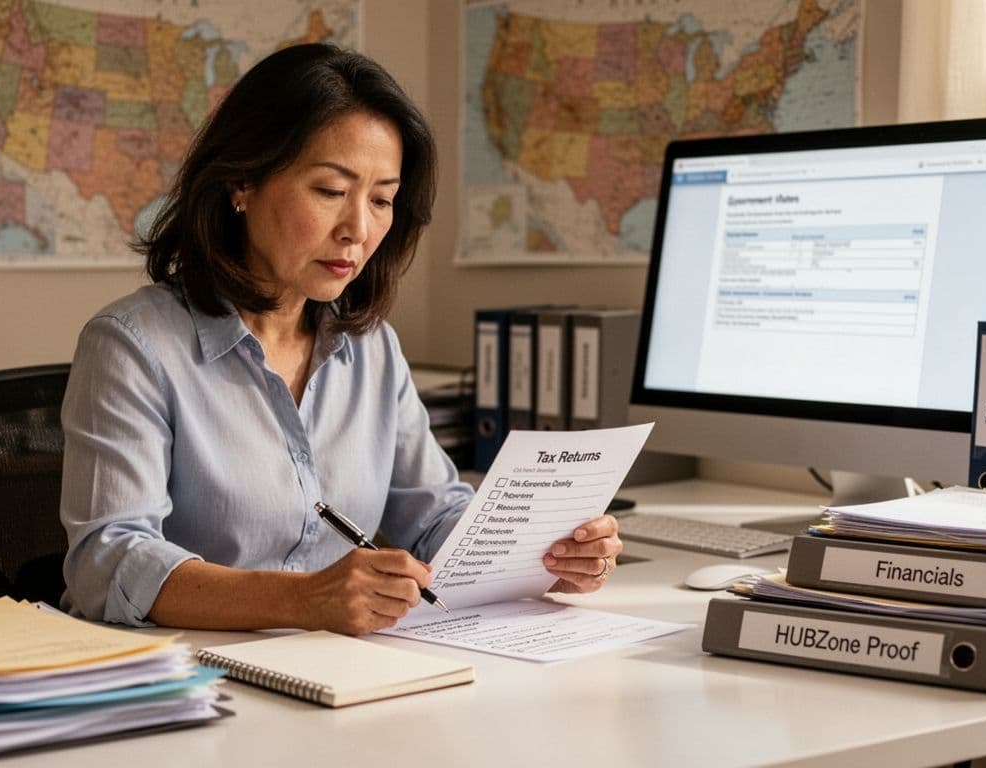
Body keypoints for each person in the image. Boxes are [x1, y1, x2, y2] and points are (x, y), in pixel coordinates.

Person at [59, 44, 621, 634]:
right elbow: (108, 559)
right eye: (330, 191)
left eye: (381, 200)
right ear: (242, 182)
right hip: (189, 684)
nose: (358, 229)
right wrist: (302, 600)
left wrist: (545, 555)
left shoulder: (372, 346)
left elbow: (432, 517)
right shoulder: (132, 345)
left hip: (339, 674)